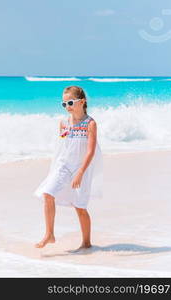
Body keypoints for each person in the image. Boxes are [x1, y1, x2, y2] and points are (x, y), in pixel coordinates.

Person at [32, 86, 103, 251]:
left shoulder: (90, 124)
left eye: (70, 102)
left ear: (82, 102)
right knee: (48, 194)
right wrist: (54, 169)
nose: (67, 107)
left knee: (80, 206)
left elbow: (90, 151)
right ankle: (49, 234)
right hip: (64, 165)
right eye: (64, 104)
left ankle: (86, 242)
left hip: (82, 167)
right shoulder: (63, 123)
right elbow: (62, 145)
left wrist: (80, 172)